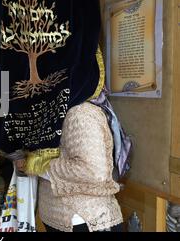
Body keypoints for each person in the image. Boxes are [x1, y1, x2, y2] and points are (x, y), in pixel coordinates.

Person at [15, 99, 125, 232]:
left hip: (83, 218)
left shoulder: (80, 114)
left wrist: (35, 165)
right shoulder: (59, 111)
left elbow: (92, 171)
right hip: (61, 217)